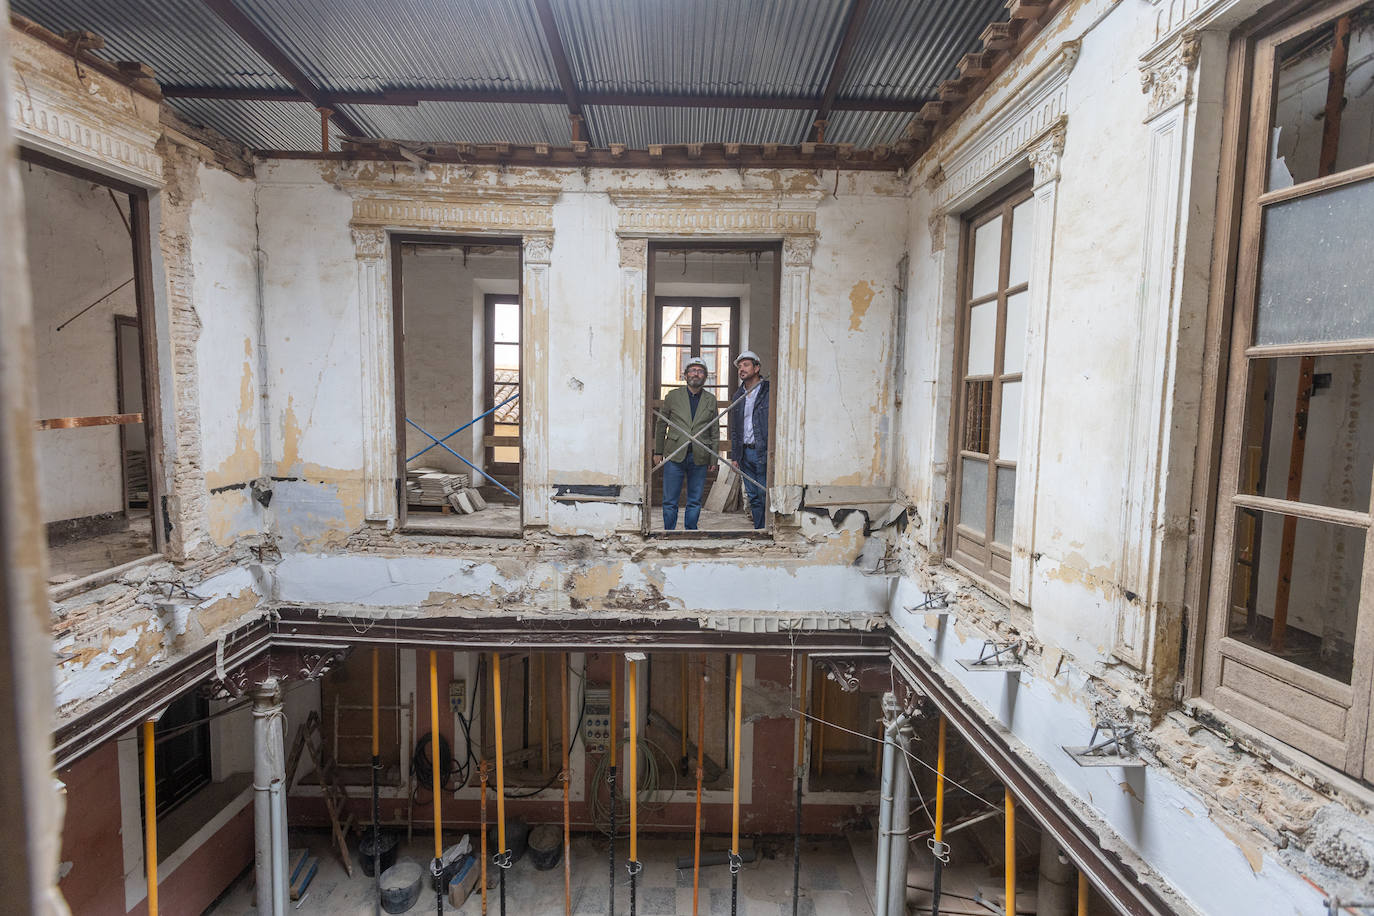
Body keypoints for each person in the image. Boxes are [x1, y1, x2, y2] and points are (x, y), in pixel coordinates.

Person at [653, 356, 718, 530]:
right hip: (675, 453)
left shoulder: (710, 400)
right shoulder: (673, 396)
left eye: (700, 371)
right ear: (685, 375)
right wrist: (658, 452)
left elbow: (714, 432)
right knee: (670, 499)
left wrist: (713, 458)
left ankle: (691, 531)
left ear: (705, 376)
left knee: (695, 499)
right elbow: (661, 425)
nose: (696, 374)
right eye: (692, 370)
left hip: (700, 455)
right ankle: (669, 532)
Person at [728, 350, 769, 529]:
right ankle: (759, 530)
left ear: (757, 368)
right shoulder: (738, 396)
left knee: (764, 493)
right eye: (739, 366)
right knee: (752, 496)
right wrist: (735, 456)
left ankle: (769, 529)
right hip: (745, 453)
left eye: (746, 365)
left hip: (764, 451)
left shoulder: (769, 391)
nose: (741, 369)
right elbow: (735, 429)